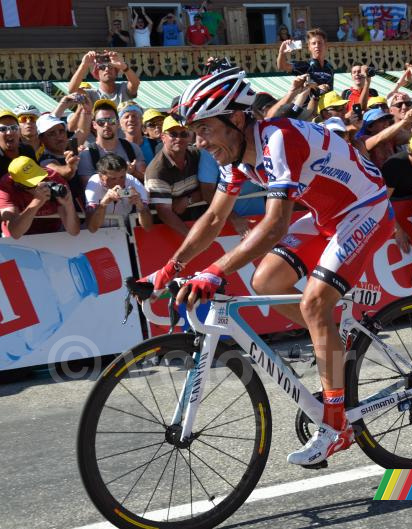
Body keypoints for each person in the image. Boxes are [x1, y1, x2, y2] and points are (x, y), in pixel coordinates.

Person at [143, 67, 394, 466]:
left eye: (205, 128)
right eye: (194, 132)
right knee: (265, 281)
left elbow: (276, 224)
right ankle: (333, 343)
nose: (199, 142)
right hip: (328, 217)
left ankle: (336, 424)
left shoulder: (277, 139)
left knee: (314, 304)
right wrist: (170, 269)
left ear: (236, 120)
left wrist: (215, 271)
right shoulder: (235, 158)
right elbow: (212, 219)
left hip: (366, 209)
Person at [144, 116, 206, 235]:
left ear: (189, 136)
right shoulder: (156, 171)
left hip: (196, 219)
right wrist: (190, 238)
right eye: (173, 134)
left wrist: (188, 200)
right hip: (168, 230)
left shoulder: (197, 154)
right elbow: (164, 212)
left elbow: (210, 189)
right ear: (163, 137)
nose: (179, 138)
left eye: (183, 134)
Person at [0, 156, 80, 239]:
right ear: (18, 185)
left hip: (51, 234)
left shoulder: (54, 179)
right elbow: (15, 233)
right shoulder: (5, 188)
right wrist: (36, 202)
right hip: (18, 240)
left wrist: (69, 205)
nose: (40, 185)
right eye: (33, 184)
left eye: (41, 179)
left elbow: (74, 231)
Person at [76, 99, 146, 182]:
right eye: (101, 122)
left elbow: (145, 181)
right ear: (94, 125)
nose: (106, 125)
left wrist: (134, 172)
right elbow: (88, 189)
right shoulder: (87, 154)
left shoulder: (133, 148)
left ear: (118, 123)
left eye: (111, 121)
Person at [85, 153, 152, 232]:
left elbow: (148, 227)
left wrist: (141, 207)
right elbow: (92, 228)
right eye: (113, 178)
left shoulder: (132, 181)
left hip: (125, 231)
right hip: (97, 234)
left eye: (122, 177)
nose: (118, 182)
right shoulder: (94, 183)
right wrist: (103, 204)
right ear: (101, 176)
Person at [68, 50, 140, 107]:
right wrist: (83, 65)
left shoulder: (123, 88)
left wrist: (123, 66)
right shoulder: (92, 94)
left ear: (116, 73)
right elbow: (72, 90)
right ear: (97, 74)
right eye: (102, 67)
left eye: (110, 67)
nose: (107, 69)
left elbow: (135, 83)